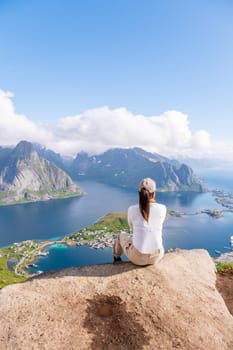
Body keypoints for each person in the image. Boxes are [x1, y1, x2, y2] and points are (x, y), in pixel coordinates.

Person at [113, 177, 167, 266]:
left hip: (138, 258)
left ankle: (117, 259)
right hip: (157, 256)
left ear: (139, 194)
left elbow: (132, 228)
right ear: (154, 193)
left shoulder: (132, 209)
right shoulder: (163, 208)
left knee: (121, 235)